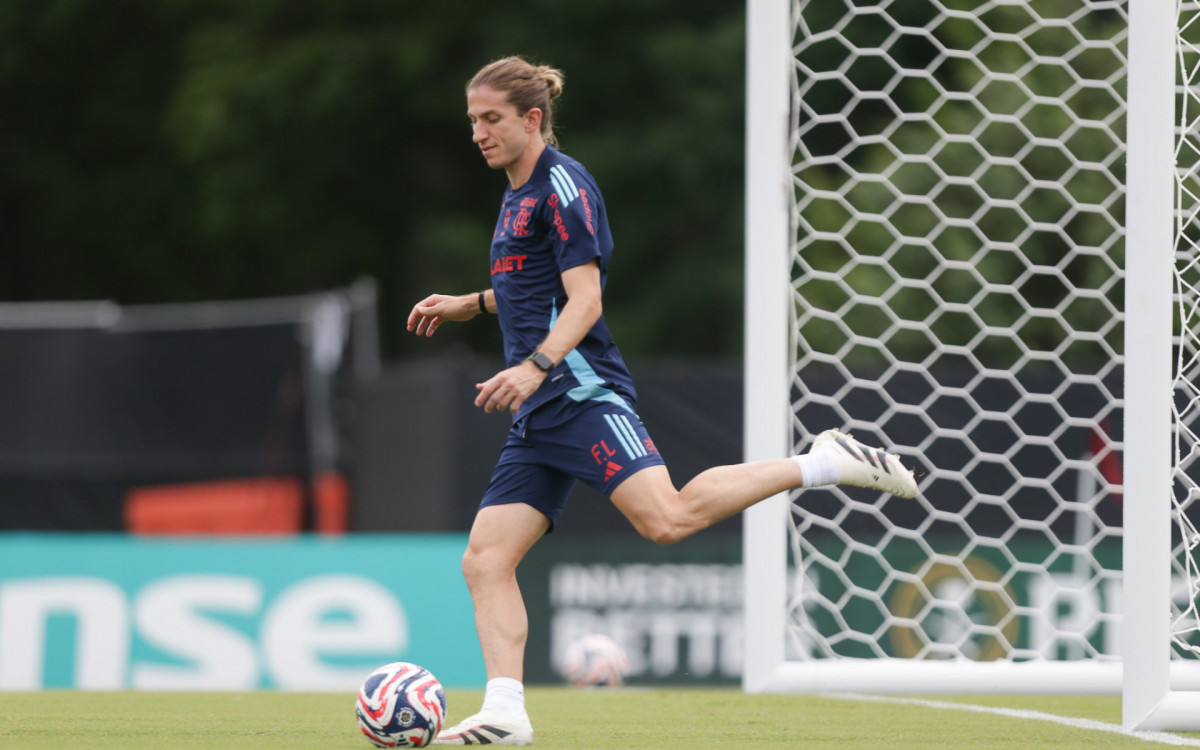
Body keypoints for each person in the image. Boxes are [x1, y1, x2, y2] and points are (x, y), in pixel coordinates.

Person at [407, 55, 918, 746]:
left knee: (667, 519)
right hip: (542, 408)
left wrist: (533, 367)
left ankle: (822, 462)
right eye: (472, 120)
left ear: (532, 119)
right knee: (485, 559)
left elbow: (585, 300)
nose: (478, 133)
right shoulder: (515, 192)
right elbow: (536, 287)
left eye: (491, 119)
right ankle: (505, 713)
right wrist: (473, 303)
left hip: (579, 390)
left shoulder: (564, 185)